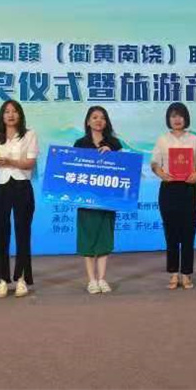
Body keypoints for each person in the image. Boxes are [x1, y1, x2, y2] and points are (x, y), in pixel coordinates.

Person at [0, 100, 38, 298]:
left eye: (14, 111)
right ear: (2, 115)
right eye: (6, 111)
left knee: (23, 233)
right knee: (0, 234)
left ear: (20, 115)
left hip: (22, 185)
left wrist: (8, 161)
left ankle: (21, 279)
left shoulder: (29, 134)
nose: (10, 115)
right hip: (0, 186)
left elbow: (30, 163)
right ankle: (1, 280)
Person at [151, 102, 196, 290]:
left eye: (180, 115)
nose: (177, 119)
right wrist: (161, 174)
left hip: (189, 189)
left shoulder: (195, 140)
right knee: (171, 232)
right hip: (169, 189)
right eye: (173, 116)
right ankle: (174, 273)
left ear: (186, 118)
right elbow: (154, 163)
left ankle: (187, 274)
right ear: (168, 118)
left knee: (189, 232)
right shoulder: (162, 140)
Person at [74, 106, 122, 294]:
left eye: (102, 117)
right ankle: (91, 280)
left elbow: (124, 169)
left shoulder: (114, 143)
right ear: (88, 121)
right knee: (87, 237)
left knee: (104, 236)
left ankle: (102, 278)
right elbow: (72, 169)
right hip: (86, 199)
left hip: (107, 199)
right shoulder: (80, 144)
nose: (98, 120)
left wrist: (113, 155)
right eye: (94, 117)